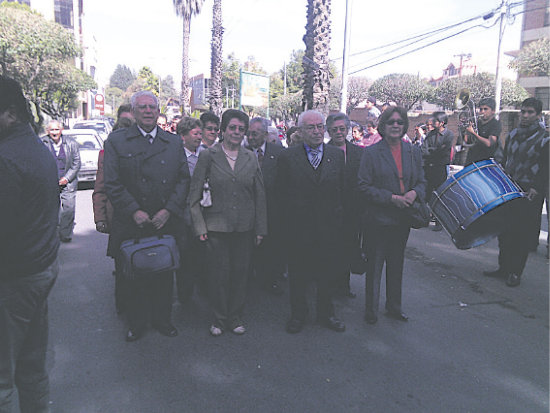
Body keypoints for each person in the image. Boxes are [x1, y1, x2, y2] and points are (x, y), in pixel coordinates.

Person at [104, 90, 190, 341]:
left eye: (152, 107)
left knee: (164, 273)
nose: (148, 111)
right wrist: (133, 211)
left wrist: (168, 210)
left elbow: (183, 180)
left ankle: (163, 319)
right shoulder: (117, 141)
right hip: (133, 221)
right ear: (133, 111)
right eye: (142, 107)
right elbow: (112, 182)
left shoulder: (173, 142)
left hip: (164, 219)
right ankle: (137, 323)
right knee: (134, 275)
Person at [0, 75, 60, 413]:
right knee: (32, 367)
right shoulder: (35, 147)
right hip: (39, 270)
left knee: (3, 379)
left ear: (10, 113)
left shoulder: (7, 157)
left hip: (13, 279)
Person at [189, 109, 267, 336]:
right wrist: (199, 226)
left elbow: (259, 195)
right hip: (216, 227)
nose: (236, 132)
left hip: (244, 227)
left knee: (240, 274)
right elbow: (194, 195)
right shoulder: (208, 156)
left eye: (241, 129)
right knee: (218, 274)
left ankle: (235, 317)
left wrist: (261, 228)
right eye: (232, 128)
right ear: (223, 130)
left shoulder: (250, 157)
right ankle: (219, 318)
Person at [277, 110, 347, 334]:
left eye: (319, 127)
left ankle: (326, 314)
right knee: (298, 275)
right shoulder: (288, 157)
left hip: (329, 228)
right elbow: (282, 194)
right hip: (299, 229)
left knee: (327, 275)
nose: (317, 132)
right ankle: (298, 315)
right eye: (311, 127)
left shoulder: (336, 155)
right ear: (301, 131)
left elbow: (342, 190)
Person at [358, 106, 426, 324]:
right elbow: (363, 186)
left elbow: (423, 182)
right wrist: (391, 198)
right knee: (375, 264)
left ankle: (394, 307)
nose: (395, 125)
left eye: (399, 122)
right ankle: (371, 309)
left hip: (403, 218)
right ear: (383, 126)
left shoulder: (413, 151)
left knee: (396, 264)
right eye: (391, 122)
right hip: (379, 218)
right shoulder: (370, 153)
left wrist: (414, 193)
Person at [484, 98, 549, 287]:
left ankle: (515, 272)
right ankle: (503, 268)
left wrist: (536, 188)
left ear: (538, 115)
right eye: (523, 112)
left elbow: (546, 168)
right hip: (509, 187)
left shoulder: (545, 139)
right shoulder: (512, 134)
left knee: (521, 234)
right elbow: (504, 158)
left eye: (530, 112)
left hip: (530, 191)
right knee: (504, 231)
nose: (526, 116)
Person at [93, 112, 134, 314]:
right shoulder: (106, 154)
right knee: (122, 264)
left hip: (140, 219)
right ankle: (124, 307)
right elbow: (100, 187)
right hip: (117, 218)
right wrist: (100, 217)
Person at [326, 113, 364, 298]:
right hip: (330, 210)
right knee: (331, 249)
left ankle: (344, 285)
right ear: (329, 131)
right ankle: (329, 284)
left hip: (352, 210)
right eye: (334, 130)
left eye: (342, 129)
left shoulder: (359, 152)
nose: (339, 132)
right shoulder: (322, 152)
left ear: (347, 130)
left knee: (349, 247)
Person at [247, 117, 285, 295]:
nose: (251, 137)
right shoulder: (242, 151)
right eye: (249, 133)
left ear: (264, 133)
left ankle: (270, 279)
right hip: (248, 210)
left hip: (273, 209)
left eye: (255, 133)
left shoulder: (278, 152)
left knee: (271, 247)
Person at [175, 117, 206, 303]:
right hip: (182, 214)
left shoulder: (206, 154)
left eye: (200, 134)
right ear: (183, 136)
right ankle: (184, 294)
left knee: (202, 254)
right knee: (185, 256)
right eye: (195, 134)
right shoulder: (176, 157)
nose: (199, 137)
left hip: (204, 212)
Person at [41, 119, 81, 242]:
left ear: (61, 130)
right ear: (47, 131)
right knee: (50, 210)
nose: (54, 132)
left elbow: (76, 163)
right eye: (52, 130)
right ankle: (51, 234)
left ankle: (65, 234)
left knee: (68, 208)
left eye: (57, 129)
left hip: (67, 183)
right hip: (49, 183)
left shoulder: (71, 143)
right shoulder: (41, 143)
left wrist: (67, 178)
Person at [422, 111, 454, 231]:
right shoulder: (430, 135)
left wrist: (432, 152)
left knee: (439, 195)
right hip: (428, 168)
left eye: (435, 121)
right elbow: (424, 150)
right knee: (427, 193)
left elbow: (443, 152)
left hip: (439, 168)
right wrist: (433, 152)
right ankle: (424, 218)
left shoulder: (448, 135)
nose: (433, 123)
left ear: (441, 123)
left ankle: (439, 221)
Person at [464, 97, 501, 164]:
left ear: (493, 111)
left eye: (485, 109)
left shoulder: (495, 124)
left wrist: (473, 133)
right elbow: (467, 142)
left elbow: (489, 143)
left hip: (485, 162)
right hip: (472, 160)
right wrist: (465, 131)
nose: (482, 111)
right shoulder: (477, 123)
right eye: (481, 109)